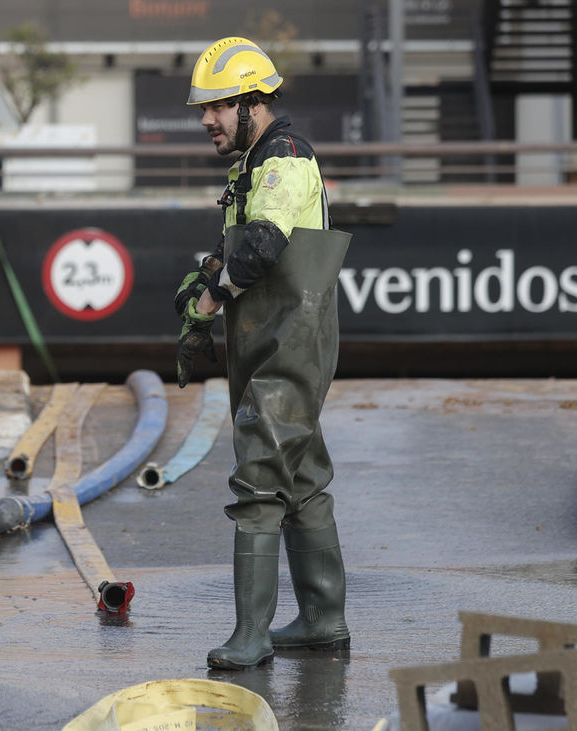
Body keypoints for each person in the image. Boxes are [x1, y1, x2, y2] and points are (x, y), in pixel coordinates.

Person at [173, 37, 352, 671]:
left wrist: (207, 302)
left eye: (216, 107)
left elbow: (264, 246)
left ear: (251, 102)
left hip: (290, 339)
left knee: (259, 479)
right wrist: (208, 274)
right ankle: (324, 619)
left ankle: (251, 635)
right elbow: (240, 247)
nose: (206, 121)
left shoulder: (284, 157)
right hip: (277, 338)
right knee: (299, 478)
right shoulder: (255, 162)